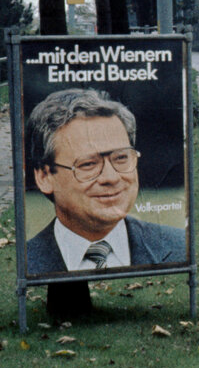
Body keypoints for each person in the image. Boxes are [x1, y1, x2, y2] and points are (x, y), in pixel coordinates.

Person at [24, 88, 186, 275]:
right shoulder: (29, 263)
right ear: (44, 177)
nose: (111, 177)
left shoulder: (179, 246)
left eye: (121, 158)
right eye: (88, 164)